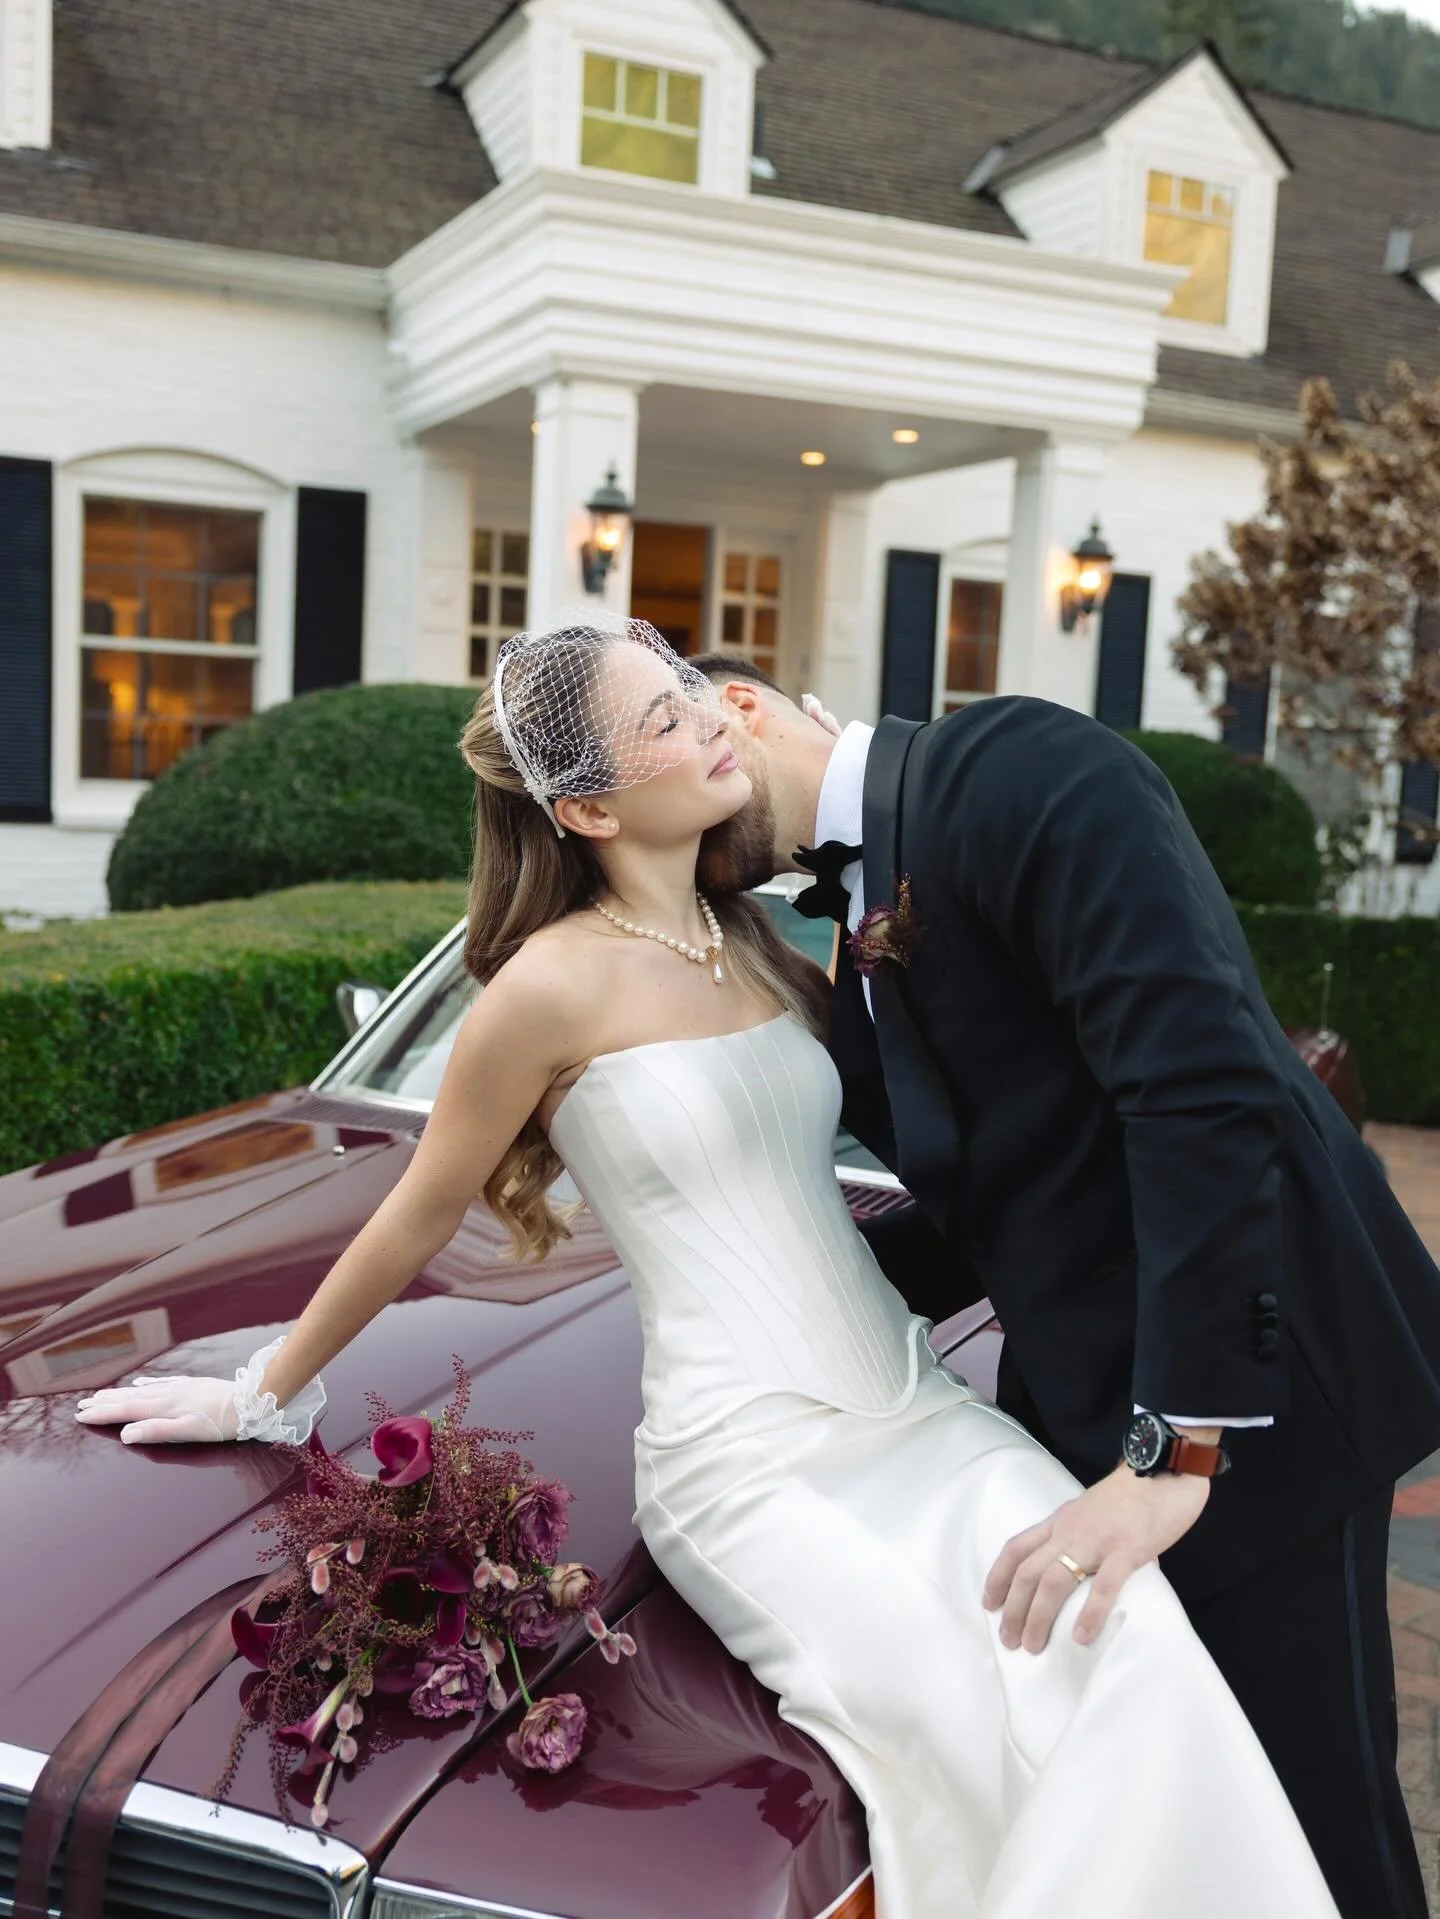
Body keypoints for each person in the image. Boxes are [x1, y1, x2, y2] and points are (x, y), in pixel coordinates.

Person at [77, 620, 1339, 1919]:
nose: (705, 719)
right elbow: (414, 1211)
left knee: (1116, 1640)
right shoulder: (543, 988)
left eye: (688, 690)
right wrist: (264, 1386)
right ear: (585, 804)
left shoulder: (761, 948)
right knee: (951, 1710)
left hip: (921, 1416)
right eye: (665, 720)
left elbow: (966, 1094)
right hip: (752, 1459)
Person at [688, 654, 1440, 1919]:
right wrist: (779, 1292)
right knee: (1197, 1824)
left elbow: (1204, 1090)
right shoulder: (846, 920)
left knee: (1317, 1825)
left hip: (1252, 1405)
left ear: (743, 709)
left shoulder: (1022, 764)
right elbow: (1003, 1189)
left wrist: (1173, 1451)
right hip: (1086, 1412)